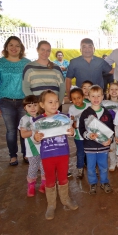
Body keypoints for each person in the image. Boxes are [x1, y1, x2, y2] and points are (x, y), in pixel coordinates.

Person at [33, 90, 78, 220]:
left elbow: (71, 132)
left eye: (56, 101)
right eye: (50, 102)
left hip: (63, 153)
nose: (54, 105)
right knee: (50, 179)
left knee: (63, 178)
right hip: (47, 155)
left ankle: (65, 200)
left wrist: (72, 132)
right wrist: (36, 137)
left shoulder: (64, 118)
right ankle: (51, 204)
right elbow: (35, 139)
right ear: (42, 104)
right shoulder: (38, 121)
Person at [0, 36, 30, 166]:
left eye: (17, 45)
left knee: (24, 129)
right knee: (11, 130)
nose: (14, 48)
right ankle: (13, 155)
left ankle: (26, 154)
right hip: (6, 102)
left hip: (24, 102)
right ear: (6, 47)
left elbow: (32, 82)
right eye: (11, 45)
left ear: (21, 48)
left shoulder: (27, 63)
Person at [78, 85, 114, 195]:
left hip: (103, 146)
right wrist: (89, 135)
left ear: (103, 96)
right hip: (90, 147)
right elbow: (81, 129)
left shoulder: (107, 113)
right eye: (93, 96)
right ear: (88, 97)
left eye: (99, 95)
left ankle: (104, 182)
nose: (96, 98)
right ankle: (92, 183)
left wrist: (110, 140)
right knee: (90, 167)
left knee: (103, 166)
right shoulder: (85, 113)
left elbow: (111, 129)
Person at [19, 95, 45, 197]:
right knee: (33, 167)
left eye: (35, 105)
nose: (33, 108)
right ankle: (31, 186)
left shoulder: (43, 117)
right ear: (25, 108)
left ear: (39, 105)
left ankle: (44, 184)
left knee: (44, 166)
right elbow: (23, 134)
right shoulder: (24, 119)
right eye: (29, 106)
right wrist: (35, 130)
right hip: (32, 149)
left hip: (44, 147)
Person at [68, 88, 91, 179]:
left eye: (78, 98)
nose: (76, 100)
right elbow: (70, 121)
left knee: (89, 151)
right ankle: (80, 169)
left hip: (89, 134)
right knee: (80, 152)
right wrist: (73, 124)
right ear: (71, 99)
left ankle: (90, 167)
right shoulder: (71, 108)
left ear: (83, 97)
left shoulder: (88, 105)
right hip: (79, 136)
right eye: (74, 98)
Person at [105, 82, 118, 172]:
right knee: (111, 147)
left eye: (116, 89)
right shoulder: (104, 103)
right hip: (109, 128)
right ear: (108, 91)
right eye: (112, 89)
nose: (114, 91)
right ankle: (112, 163)